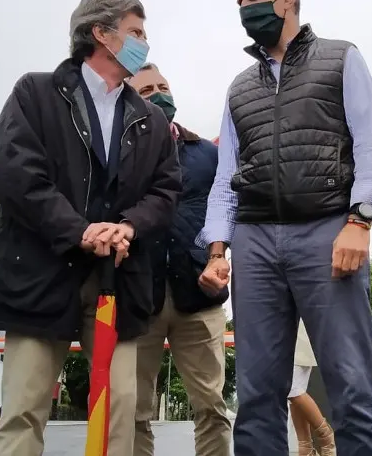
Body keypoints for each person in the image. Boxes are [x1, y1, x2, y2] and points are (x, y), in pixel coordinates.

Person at [196, 0, 372, 456]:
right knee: (259, 391)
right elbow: (226, 175)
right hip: (255, 241)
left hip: (327, 230)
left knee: (352, 383)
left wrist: (360, 219)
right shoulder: (239, 86)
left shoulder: (341, 57)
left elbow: (370, 143)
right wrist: (217, 249)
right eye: (240, 1)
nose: (245, 8)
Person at [0, 0, 181, 456]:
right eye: (136, 33)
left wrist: (128, 226)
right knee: (24, 412)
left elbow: (166, 191)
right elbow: (13, 173)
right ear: (100, 34)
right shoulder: (35, 94)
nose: (144, 45)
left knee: (119, 415)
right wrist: (80, 230)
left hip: (119, 281)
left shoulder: (150, 120)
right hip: (40, 272)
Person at [127, 63, 232, 456]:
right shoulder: (120, 154)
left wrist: (217, 258)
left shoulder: (207, 153)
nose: (158, 94)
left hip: (198, 298)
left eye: (163, 86)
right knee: (133, 410)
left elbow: (226, 210)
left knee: (211, 407)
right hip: (139, 295)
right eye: (147, 90)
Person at [289, 321, 336, 456]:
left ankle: (326, 437)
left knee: (293, 390)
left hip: (300, 332)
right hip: (285, 333)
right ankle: (305, 447)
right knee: (294, 393)